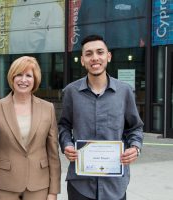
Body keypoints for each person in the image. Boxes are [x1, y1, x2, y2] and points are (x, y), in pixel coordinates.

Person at [59, 35, 144, 200]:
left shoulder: (124, 91)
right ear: (82, 60)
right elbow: (63, 125)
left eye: (100, 52)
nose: (95, 58)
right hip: (81, 185)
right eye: (89, 54)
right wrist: (67, 145)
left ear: (108, 56)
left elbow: (135, 127)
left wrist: (135, 148)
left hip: (115, 185)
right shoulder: (71, 92)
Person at [0, 56, 61, 200]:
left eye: (28, 75)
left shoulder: (48, 108)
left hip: (39, 185)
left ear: (35, 79)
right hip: (4, 185)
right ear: (12, 78)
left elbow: (53, 154)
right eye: (19, 74)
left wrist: (53, 191)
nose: (23, 80)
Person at [73, 0, 146, 50]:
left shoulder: (138, 1)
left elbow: (147, 35)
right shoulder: (88, 2)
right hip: (95, 58)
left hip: (126, 55)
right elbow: (79, 33)